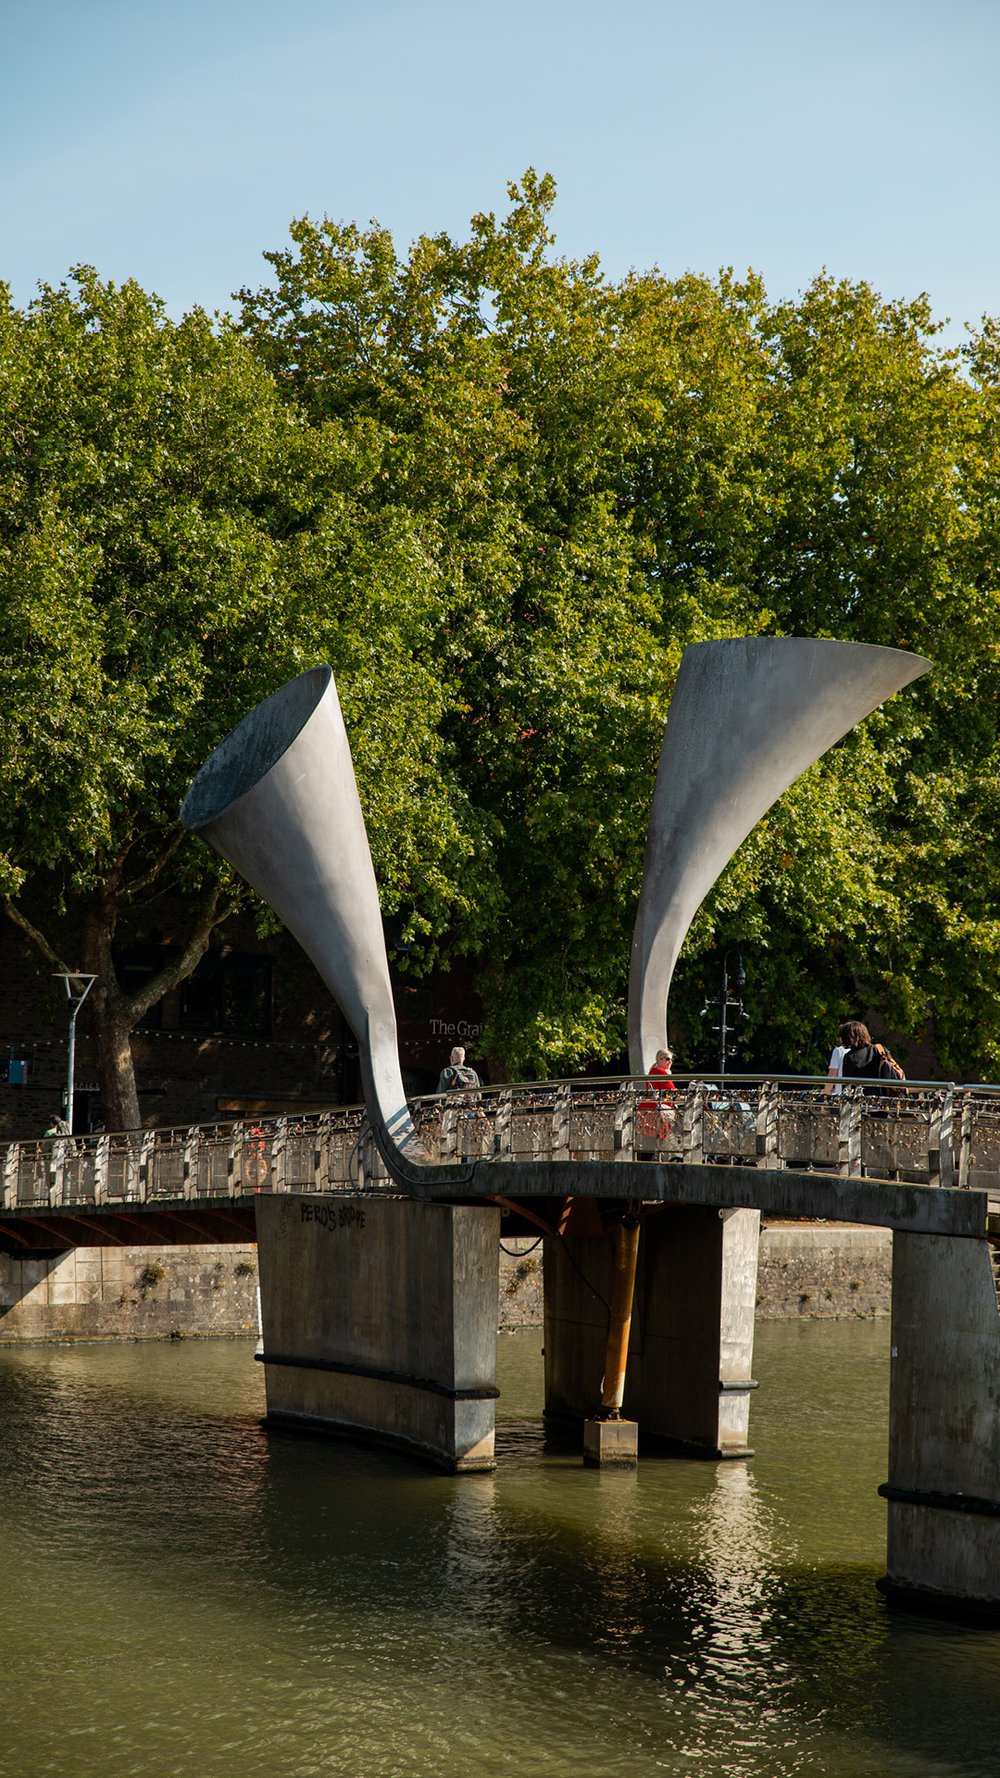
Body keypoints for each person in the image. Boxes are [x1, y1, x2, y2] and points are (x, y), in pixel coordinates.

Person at [838, 1020, 905, 1095]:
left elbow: (847, 1087)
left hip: (862, 1098)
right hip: (885, 1096)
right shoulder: (880, 1049)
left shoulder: (849, 1057)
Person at [638, 1047, 676, 1143]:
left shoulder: (653, 1071)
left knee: (649, 1142)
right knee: (659, 1142)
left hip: (649, 1110)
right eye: (668, 1059)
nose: (670, 1062)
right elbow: (672, 1091)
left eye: (671, 1060)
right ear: (660, 1059)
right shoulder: (660, 1072)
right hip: (658, 1112)